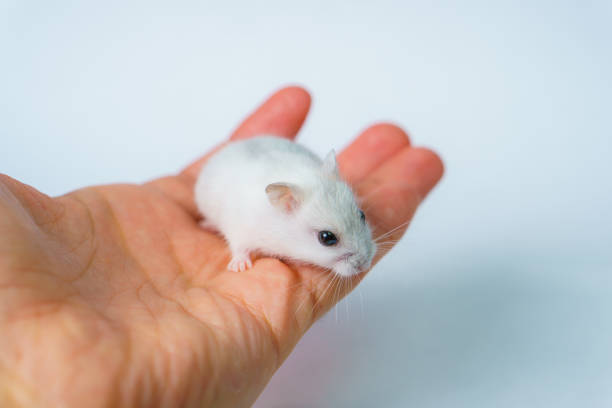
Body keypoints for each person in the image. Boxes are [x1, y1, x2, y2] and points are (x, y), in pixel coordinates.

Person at [0, 86, 443, 407]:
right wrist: (240, 251)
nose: (360, 254)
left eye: (358, 222)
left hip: (279, 160)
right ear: (283, 204)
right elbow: (242, 223)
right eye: (329, 239)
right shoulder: (262, 212)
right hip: (235, 175)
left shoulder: (326, 187)